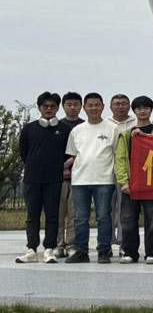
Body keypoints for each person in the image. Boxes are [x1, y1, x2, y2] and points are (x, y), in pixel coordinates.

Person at [64, 93, 120, 264]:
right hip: (80, 180)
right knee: (80, 218)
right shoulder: (77, 130)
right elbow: (73, 154)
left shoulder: (112, 128)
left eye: (97, 105)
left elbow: (117, 154)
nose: (94, 108)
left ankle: (104, 250)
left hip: (104, 179)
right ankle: (81, 251)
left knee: (103, 217)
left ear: (103, 106)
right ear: (84, 108)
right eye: (90, 105)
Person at [16, 92, 70, 264]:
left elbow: (68, 153)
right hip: (32, 179)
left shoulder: (64, 129)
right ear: (39, 108)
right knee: (32, 216)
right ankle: (31, 249)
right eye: (45, 106)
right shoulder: (29, 128)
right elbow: (23, 152)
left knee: (53, 215)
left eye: (52, 106)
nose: (48, 109)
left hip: (54, 179)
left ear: (57, 108)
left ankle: (49, 249)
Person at [115, 95, 153, 264]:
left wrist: (145, 137)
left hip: (152, 183)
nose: (142, 111)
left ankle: (152, 253)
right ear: (134, 111)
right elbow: (120, 159)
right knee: (128, 220)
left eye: (146, 108)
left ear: (151, 110)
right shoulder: (126, 134)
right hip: (131, 183)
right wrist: (123, 182)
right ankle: (130, 252)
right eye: (139, 108)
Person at [55, 91, 83, 259]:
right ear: (63, 107)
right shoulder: (57, 126)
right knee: (57, 214)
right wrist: (62, 166)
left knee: (74, 215)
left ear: (81, 106)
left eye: (76, 104)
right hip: (57, 177)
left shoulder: (85, 126)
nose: (72, 108)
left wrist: (72, 162)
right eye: (69, 105)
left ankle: (72, 245)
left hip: (79, 177)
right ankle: (58, 245)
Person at [107, 94, 136, 248]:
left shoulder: (136, 122)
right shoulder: (105, 123)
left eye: (123, 103)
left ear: (129, 106)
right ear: (110, 107)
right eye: (117, 104)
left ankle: (124, 242)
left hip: (128, 173)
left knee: (125, 210)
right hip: (107, 172)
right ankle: (107, 241)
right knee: (107, 209)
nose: (120, 107)